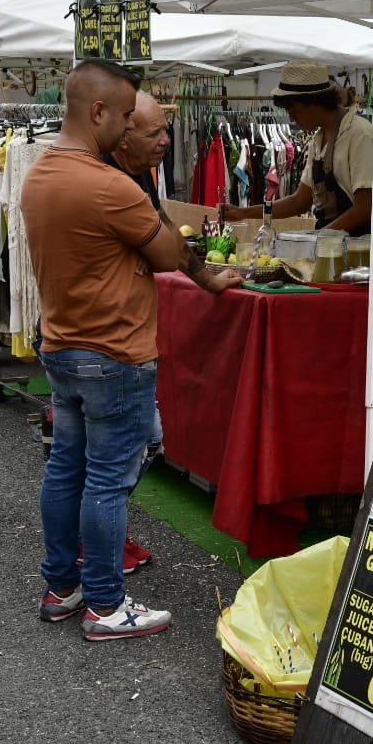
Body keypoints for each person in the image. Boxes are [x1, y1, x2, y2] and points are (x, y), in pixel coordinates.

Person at [19, 59, 239, 641]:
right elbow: (169, 252)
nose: (125, 129)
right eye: (122, 116)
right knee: (109, 479)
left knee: (67, 471)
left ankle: (62, 586)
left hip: (63, 344)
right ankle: (105, 605)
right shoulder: (110, 185)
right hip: (113, 350)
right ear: (97, 112)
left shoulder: (40, 173)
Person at [98, 91, 238, 576]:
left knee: (99, 455)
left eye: (166, 130)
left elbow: (162, 228)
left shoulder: (135, 172)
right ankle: (97, 557)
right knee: (131, 448)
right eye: (155, 132)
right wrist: (207, 277)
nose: (166, 140)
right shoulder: (109, 179)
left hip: (91, 336)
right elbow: (163, 245)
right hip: (108, 338)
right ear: (123, 132)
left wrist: (208, 278)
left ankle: (92, 546)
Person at [219, 61, 373, 235]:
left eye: (294, 111)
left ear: (315, 101)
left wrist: (319, 238)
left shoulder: (359, 134)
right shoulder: (317, 141)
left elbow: (366, 207)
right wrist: (244, 213)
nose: (292, 119)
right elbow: (300, 201)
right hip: (330, 248)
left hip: (361, 251)